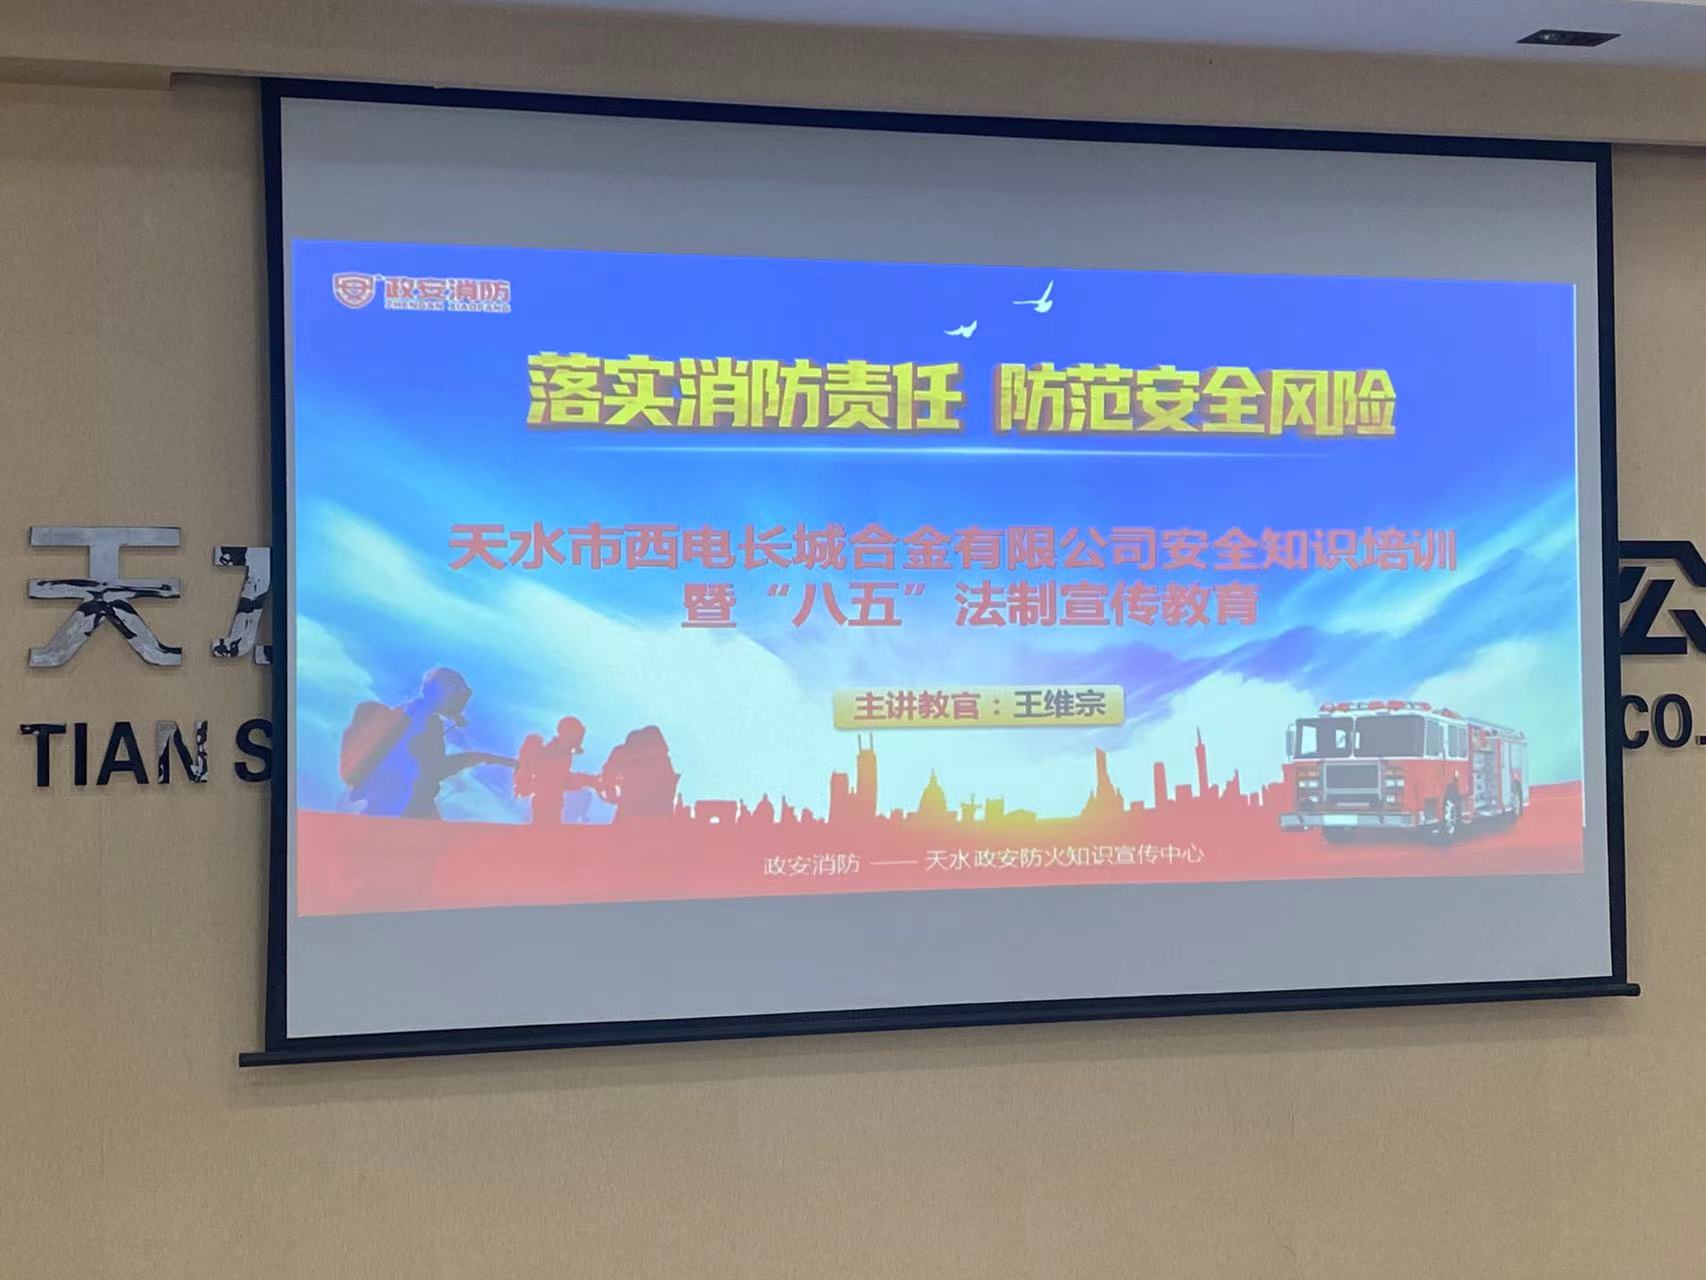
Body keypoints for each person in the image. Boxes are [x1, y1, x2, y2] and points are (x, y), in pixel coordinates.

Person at [340, 667, 515, 819]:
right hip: (403, 803)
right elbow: (433, 768)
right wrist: (479, 758)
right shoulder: (425, 721)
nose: (460, 704)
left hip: (393, 800)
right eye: (457, 696)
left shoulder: (411, 711)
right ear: (443, 693)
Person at [512, 716, 603, 825]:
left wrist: (590, 780)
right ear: (570, 735)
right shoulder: (556, 754)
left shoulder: (562, 753)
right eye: (578, 736)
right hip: (546, 802)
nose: (579, 740)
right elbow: (561, 779)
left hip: (552, 801)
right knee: (546, 830)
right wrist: (590, 780)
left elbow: (562, 779)